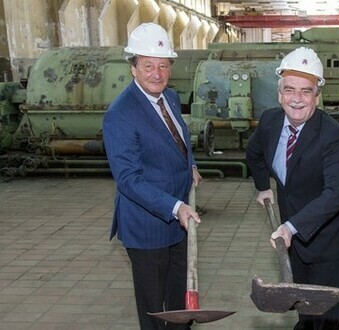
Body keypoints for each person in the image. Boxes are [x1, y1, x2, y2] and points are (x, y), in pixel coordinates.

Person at [103, 23, 202, 330]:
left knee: (179, 303)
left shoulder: (169, 98)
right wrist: (176, 207)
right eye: (148, 66)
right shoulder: (120, 114)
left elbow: (178, 140)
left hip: (178, 223)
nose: (157, 74)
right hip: (147, 227)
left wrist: (192, 165)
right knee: (154, 311)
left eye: (163, 65)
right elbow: (129, 179)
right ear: (133, 68)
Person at [246, 47, 339, 329]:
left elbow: (336, 194)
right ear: (279, 94)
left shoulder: (333, 136)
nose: (297, 99)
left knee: (325, 315)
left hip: (326, 238)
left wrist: (291, 227)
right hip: (292, 235)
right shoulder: (270, 121)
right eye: (290, 90)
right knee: (303, 310)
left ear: (317, 96)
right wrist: (263, 187)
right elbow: (254, 153)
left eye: (306, 91)